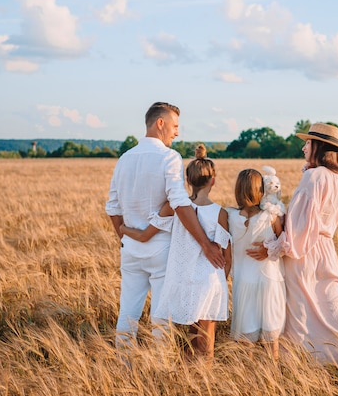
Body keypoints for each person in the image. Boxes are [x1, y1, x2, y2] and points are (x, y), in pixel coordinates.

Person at [105, 102, 225, 348]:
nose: (177, 132)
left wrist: (127, 237)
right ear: (161, 123)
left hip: (130, 250)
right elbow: (179, 203)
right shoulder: (169, 157)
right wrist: (205, 244)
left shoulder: (124, 159)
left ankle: (122, 367)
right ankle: (160, 369)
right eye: (175, 126)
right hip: (161, 250)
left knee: (127, 312)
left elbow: (113, 207)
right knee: (161, 314)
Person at [250, 122, 338, 366]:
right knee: (330, 302)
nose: (303, 147)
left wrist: (275, 246)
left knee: (300, 306)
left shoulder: (314, 176)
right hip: (326, 248)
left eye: (308, 143)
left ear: (318, 146)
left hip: (304, 250)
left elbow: (301, 222)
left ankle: (300, 361)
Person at [151, 144, 232, 361]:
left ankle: (188, 382)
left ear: (187, 181)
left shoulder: (177, 207)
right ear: (213, 180)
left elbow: (156, 219)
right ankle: (203, 383)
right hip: (209, 282)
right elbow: (227, 256)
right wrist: (222, 282)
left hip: (184, 280)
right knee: (207, 343)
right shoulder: (220, 213)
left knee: (192, 338)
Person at [227, 169, 285, 360]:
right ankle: (273, 375)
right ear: (261, 190)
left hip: (244, 281)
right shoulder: (271, 216)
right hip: (268, 280)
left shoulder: (230, 217)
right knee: (271, 337)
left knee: (246, 339)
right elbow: (283, 241)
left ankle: (247, 380)